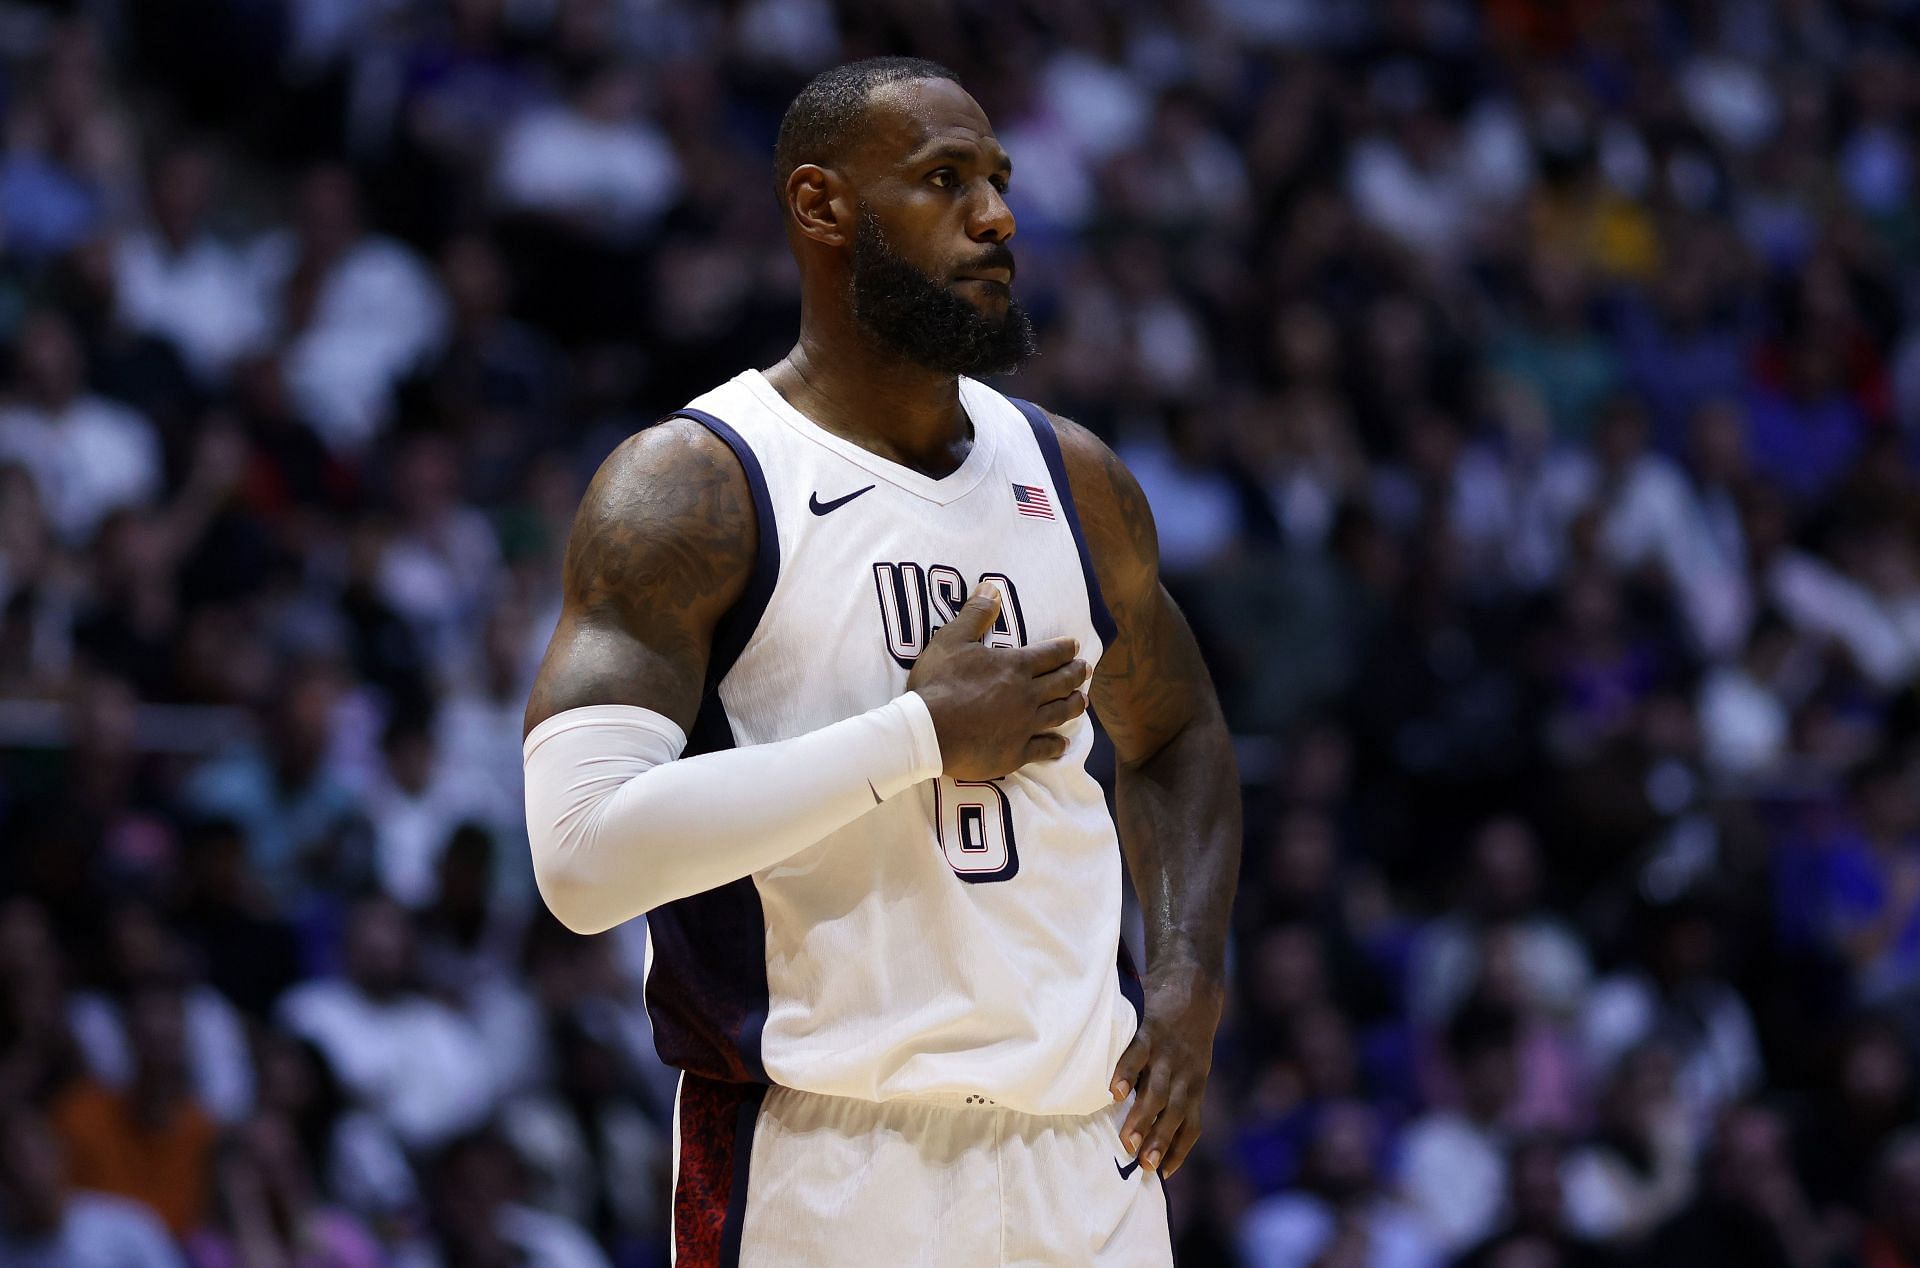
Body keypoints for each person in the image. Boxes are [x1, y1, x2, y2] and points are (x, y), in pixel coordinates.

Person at [522, 56, 1240, 1267]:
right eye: (945, 180)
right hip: (825, 1161)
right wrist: (914, 739)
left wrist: (1184, 975)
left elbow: (1180, 734)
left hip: (1085, 1155)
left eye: (1000, 180)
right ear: (821, 207)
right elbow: (582, 860)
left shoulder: (1077, 480)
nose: (998, 214)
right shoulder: (692, 485)